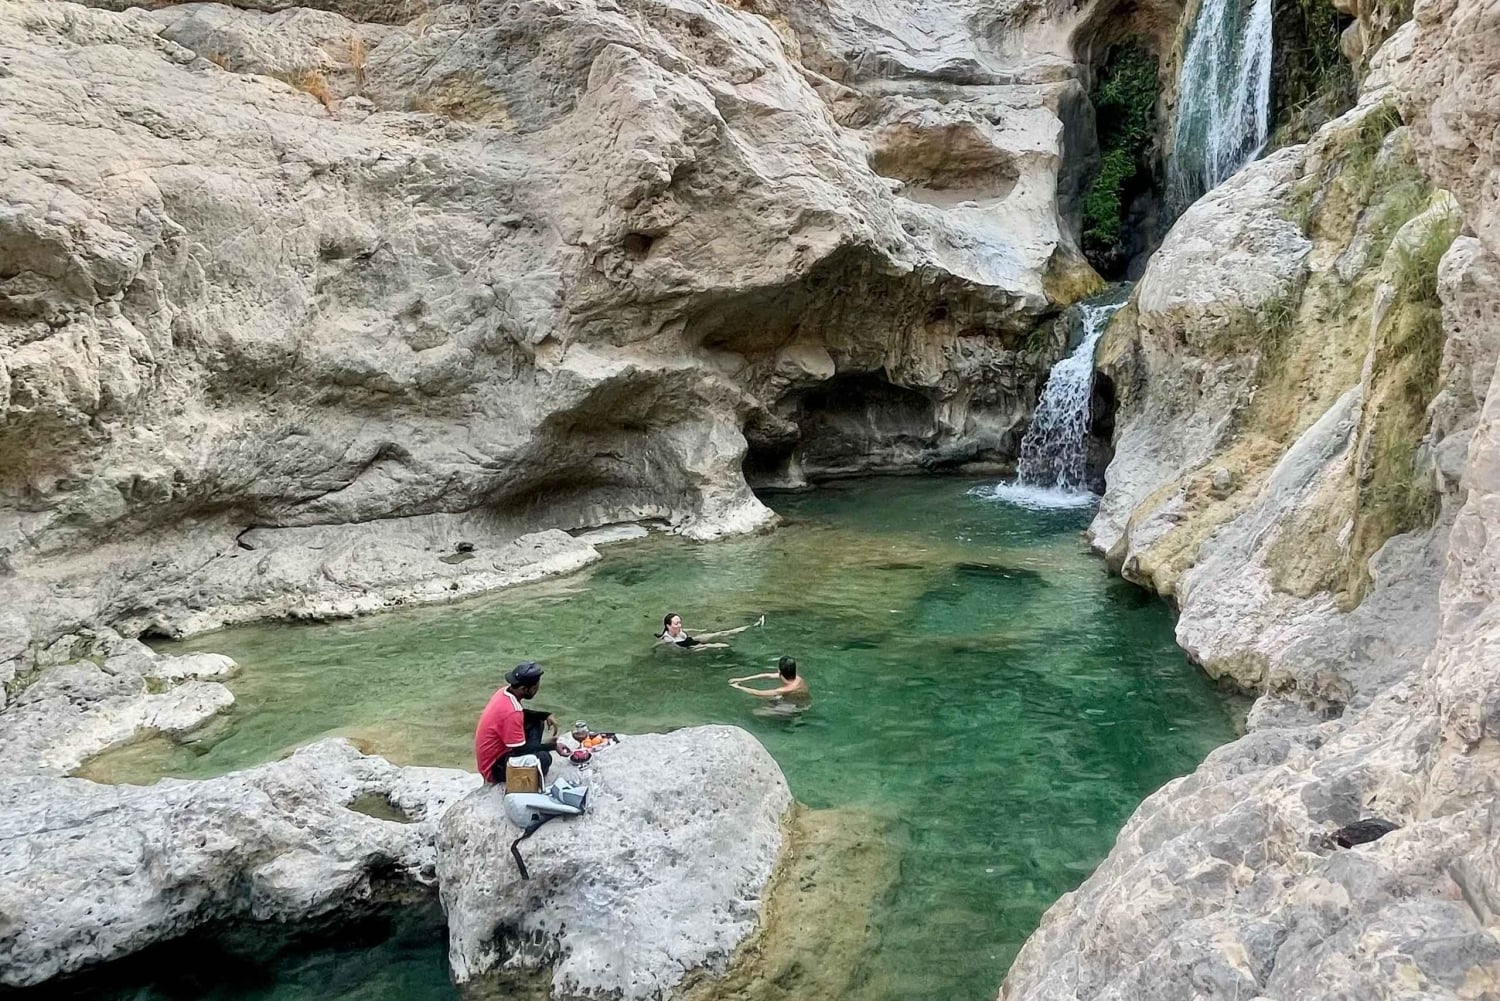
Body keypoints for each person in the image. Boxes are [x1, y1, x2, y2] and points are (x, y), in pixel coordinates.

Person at [474, 661, 559, 783]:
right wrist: (552, 746)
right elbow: (521, 750)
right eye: (535, 687)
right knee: (545, 758)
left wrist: (545, 716)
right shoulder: (512, 712)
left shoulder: (504, 692)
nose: (537, 690)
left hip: (501, 753)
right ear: (524, 689)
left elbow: (521, 714)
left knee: (537, 721)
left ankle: (535, 750)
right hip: (495, 768)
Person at [656, 611, 764, 651]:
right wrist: (653, 651)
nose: (679, 625)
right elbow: (657, 644)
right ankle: (733, 648)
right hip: (688, 647)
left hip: (690, 639)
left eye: (680, 622)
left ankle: (752, 626)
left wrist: (699, 630)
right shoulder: (667, 639)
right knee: (718, 645)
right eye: (676, 624)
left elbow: (686, 630)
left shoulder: (679, 630)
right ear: (668, 626)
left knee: (720, 633)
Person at [729, 656, 809, 705]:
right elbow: (767, 675)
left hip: (796, 705)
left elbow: (759, 693)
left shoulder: (783, 690)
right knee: (771, 701)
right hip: (791, 698)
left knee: (758, 712)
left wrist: (738, 687)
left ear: (779, 671)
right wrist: (742, 679)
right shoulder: (797, 678)